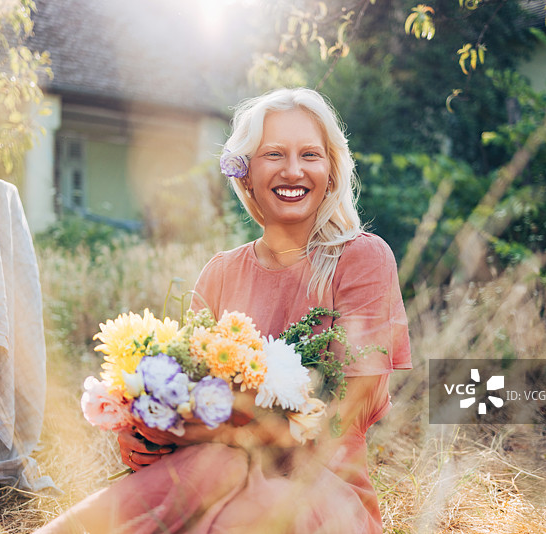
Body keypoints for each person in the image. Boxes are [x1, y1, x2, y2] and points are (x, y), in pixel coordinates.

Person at [36, 87, 411, 533]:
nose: (294, 170)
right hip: (208, 471)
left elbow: (355, 403)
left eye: (310, 154)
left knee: (222, 475)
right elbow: (186, 393)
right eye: (274, 154)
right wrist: (147, 434)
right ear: (246, 174)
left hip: (321, 489)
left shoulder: (362, 259)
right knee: (211, 468)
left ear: (331, 172)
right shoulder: (219, 273)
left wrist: (220, 430)